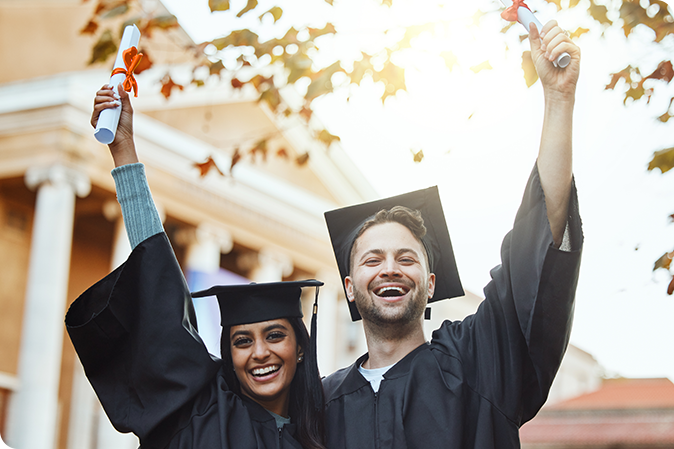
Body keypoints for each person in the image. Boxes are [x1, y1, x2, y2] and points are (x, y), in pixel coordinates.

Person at [321, 20, 583, 448]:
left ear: (431, 282)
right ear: (350, 288)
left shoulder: (479, 361)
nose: (390, 269)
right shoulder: (320, 404)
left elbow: (536, 248)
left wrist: (558, 99)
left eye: (407, 258)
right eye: (372, 260)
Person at [65, 85, 326, 449]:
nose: (260, 352)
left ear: (300, 347)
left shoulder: (332, 424)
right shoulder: (201, 412)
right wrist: (123, 149)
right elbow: (156, 285)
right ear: (228, 357)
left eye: (275, 335)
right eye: (241, 341)